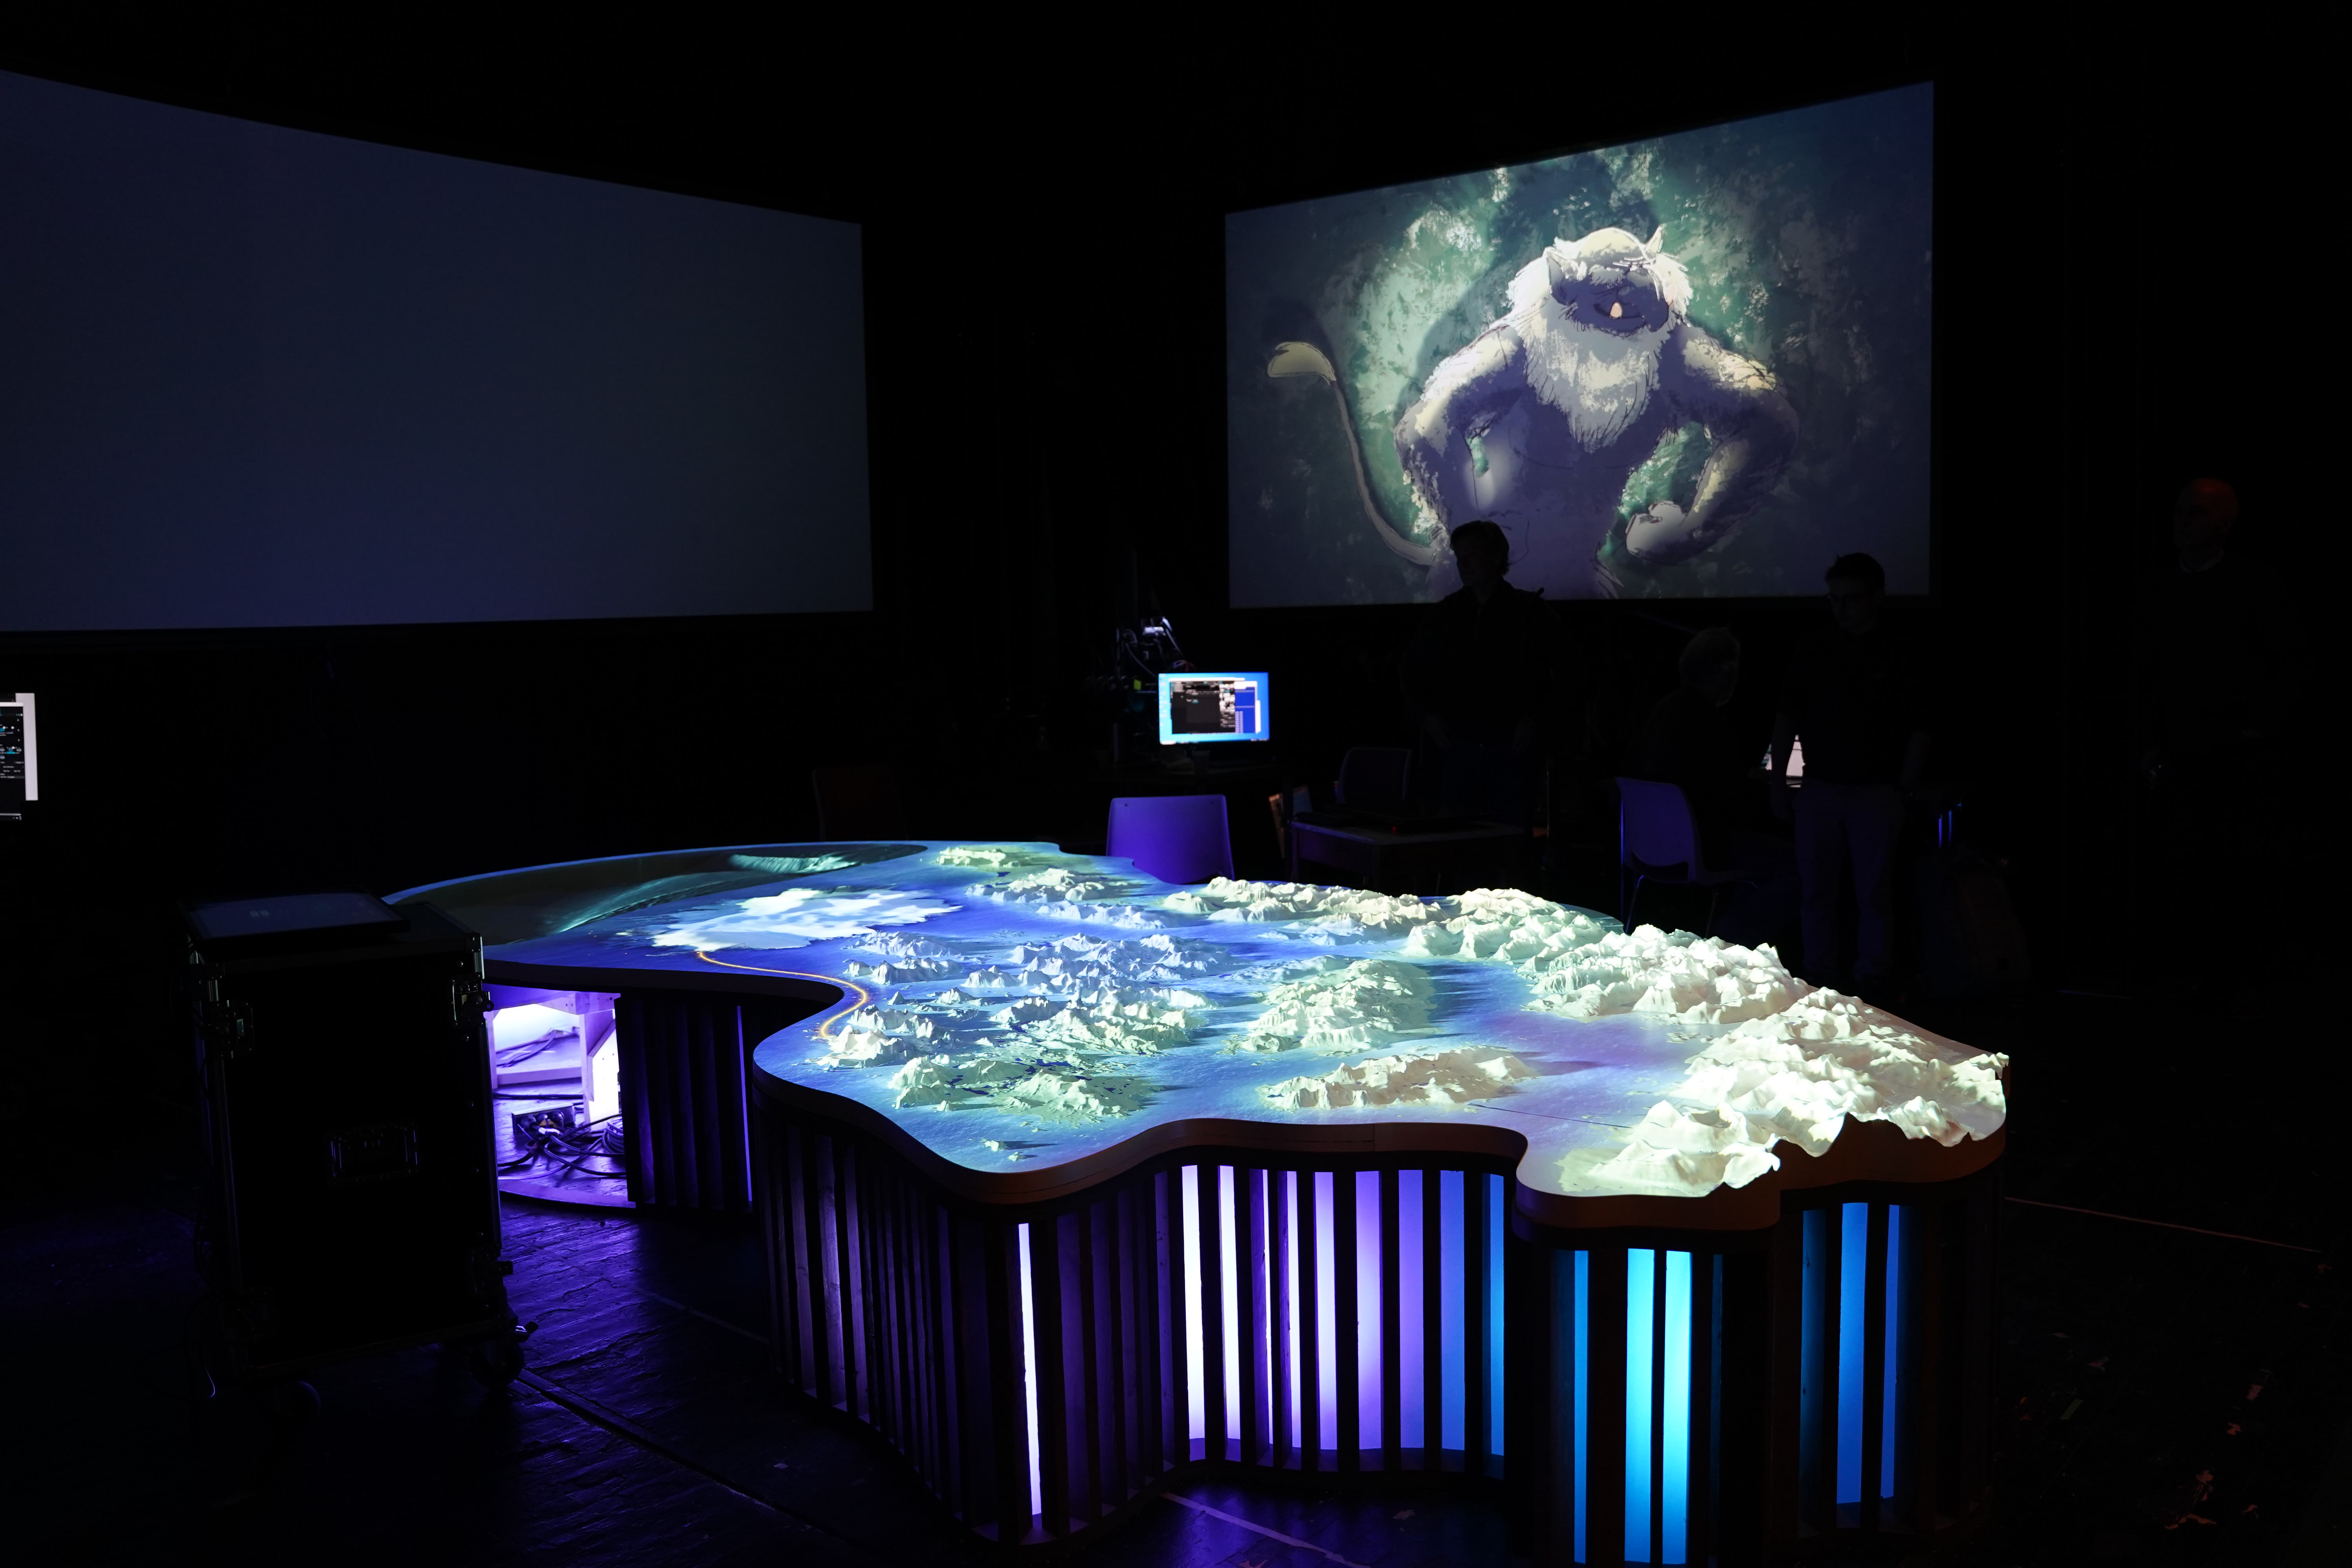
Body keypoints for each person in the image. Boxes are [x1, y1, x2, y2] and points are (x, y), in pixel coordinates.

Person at [1771, 554, 1929, 996]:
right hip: (1824, 788)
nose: (1840, 608)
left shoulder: (1899, 651)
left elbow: (1921, 727)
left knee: (1870, 894)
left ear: (1877, 597)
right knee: (1822, 893)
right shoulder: (1816, 647)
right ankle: (1825, 975)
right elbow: (1786, 719)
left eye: (1850, 599)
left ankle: (1868, 978)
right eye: (1834, 599)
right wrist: (1780, 783)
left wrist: (1902, 788)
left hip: (1872, 792)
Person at [2140, 478, 2293, 918]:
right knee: (2181, 869)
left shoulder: (2255, 585)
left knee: (2234, 871)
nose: (2183, 523)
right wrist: (2150, 744)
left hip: (2235, 757)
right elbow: (2146, 673)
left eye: (2197, 513)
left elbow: (2291, 662)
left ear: (2225, 524)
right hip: (2178, 754)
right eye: (2179, 512)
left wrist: (2256, 730)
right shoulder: (2158, 587)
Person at [1633, 627, 1796, 947]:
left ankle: (1729, 933)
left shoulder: (1661, 711)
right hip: (1701, 846)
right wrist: (1760, 786)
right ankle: (1730, 940)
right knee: (1804, 865)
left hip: (1648, 847)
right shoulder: (1708, 723)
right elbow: (1727, 803)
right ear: (1725, 675)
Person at [1404, 520, 1555, 825]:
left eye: (1471, 555)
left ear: (1496, 556)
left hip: (1511, 751)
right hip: (1457, 750)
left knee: (1511, 838)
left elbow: (1567, 673)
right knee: (1459, 839)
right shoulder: (1442, 616)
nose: (1463, 565)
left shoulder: (1530, 613)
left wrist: (1535, 719)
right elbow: (1411, 673)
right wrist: (1427, 717)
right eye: (1459, 557)